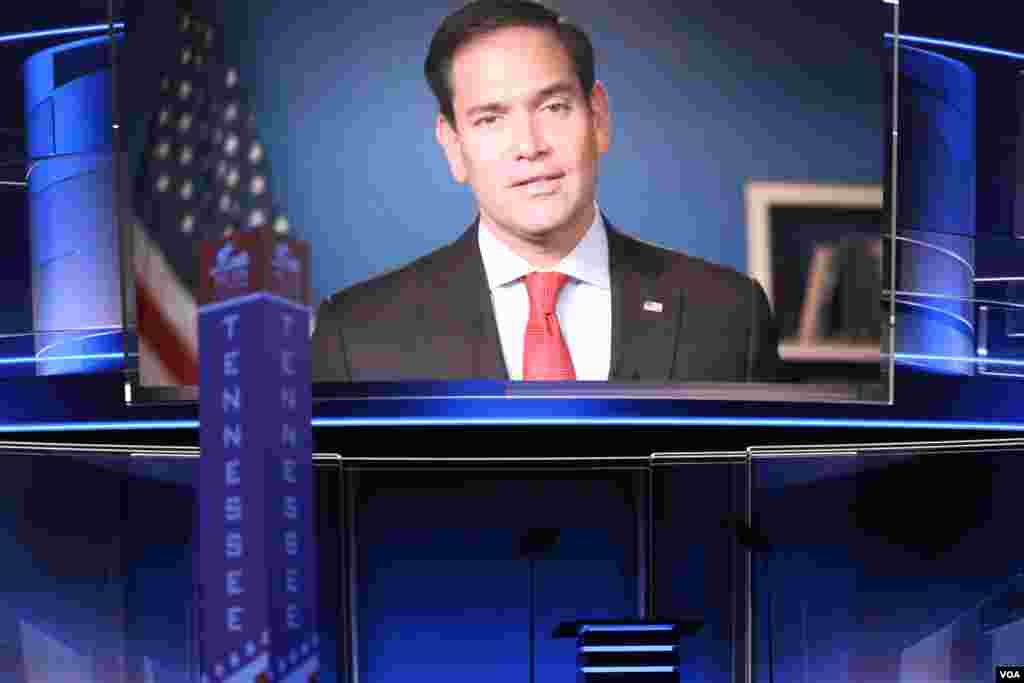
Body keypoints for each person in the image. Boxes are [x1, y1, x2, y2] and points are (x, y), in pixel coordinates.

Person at [312, 0, 780, 382]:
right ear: (453, 145)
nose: (530, 146)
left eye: (553, 107)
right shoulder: (355, 336)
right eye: (490, 119)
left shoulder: (730, 316)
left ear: (598, 118)